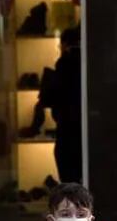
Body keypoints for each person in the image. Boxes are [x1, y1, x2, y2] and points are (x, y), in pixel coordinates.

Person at [22, 27, 82, 183]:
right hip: (82, 127)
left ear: (64, 44)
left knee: (68, 174)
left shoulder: (64, 64)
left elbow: (54, 97)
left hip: (67, 127)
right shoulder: (87, 63)